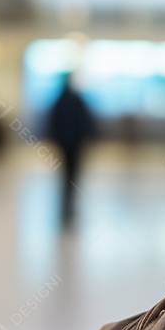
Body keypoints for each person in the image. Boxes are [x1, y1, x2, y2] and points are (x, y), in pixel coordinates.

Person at [46, 73, 96, 227]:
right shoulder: (75, 100)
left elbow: (53, 123)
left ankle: (66, 206)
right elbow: (87, 122)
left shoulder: (60, 101)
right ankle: (68, 206)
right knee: (72, 176)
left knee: (66, 177)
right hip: (74, 145)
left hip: (67, 144)